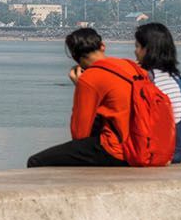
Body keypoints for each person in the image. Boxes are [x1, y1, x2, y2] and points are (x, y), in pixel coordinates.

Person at [26, 27, 140, 167]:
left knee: (35, 161)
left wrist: (79, 86)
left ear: (75, 57)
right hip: (142, 145)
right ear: (103, 46)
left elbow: (79, 134)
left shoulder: (89, 78)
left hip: (117, 150)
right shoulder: (131, 66)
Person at [134, 21, 181, 164]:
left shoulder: (149, 77)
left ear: (147, 49)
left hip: (161, 152)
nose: (135, 52)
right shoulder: (178, 77)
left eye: (137, 46)